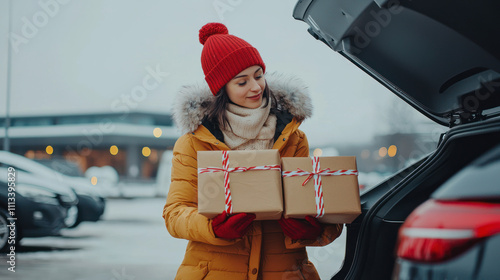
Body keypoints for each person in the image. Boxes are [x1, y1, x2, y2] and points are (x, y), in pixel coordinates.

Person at [162, 22, 343, 280]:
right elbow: (175, 212)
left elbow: (310, 199)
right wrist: (213, 228)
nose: (256, 87)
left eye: (258, 75)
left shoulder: (292, 136)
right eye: (242, 81)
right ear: (222, 88)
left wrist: (310, 228)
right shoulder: (194, 143)